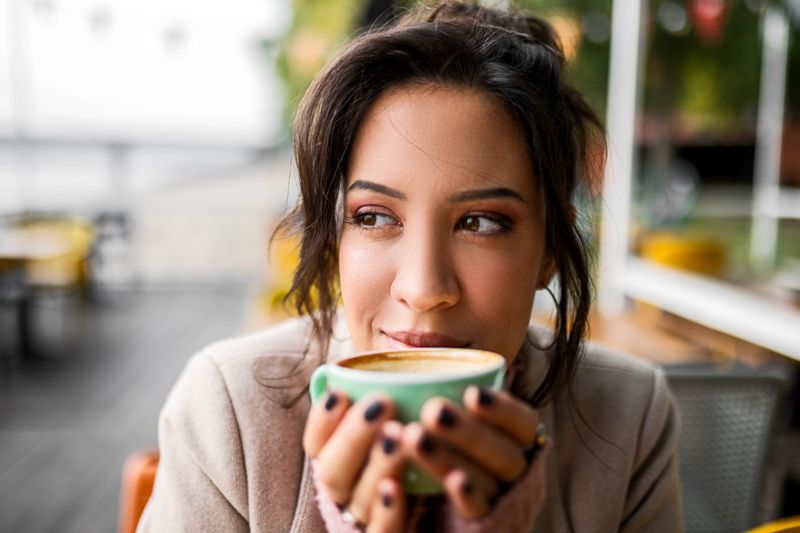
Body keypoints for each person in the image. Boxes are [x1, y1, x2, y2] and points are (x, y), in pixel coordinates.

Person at [137, 1, 682, 531]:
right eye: (374, 217)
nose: (423, 289)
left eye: (481, 223)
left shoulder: (629, 417)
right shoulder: (229, 411)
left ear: (550, 251)